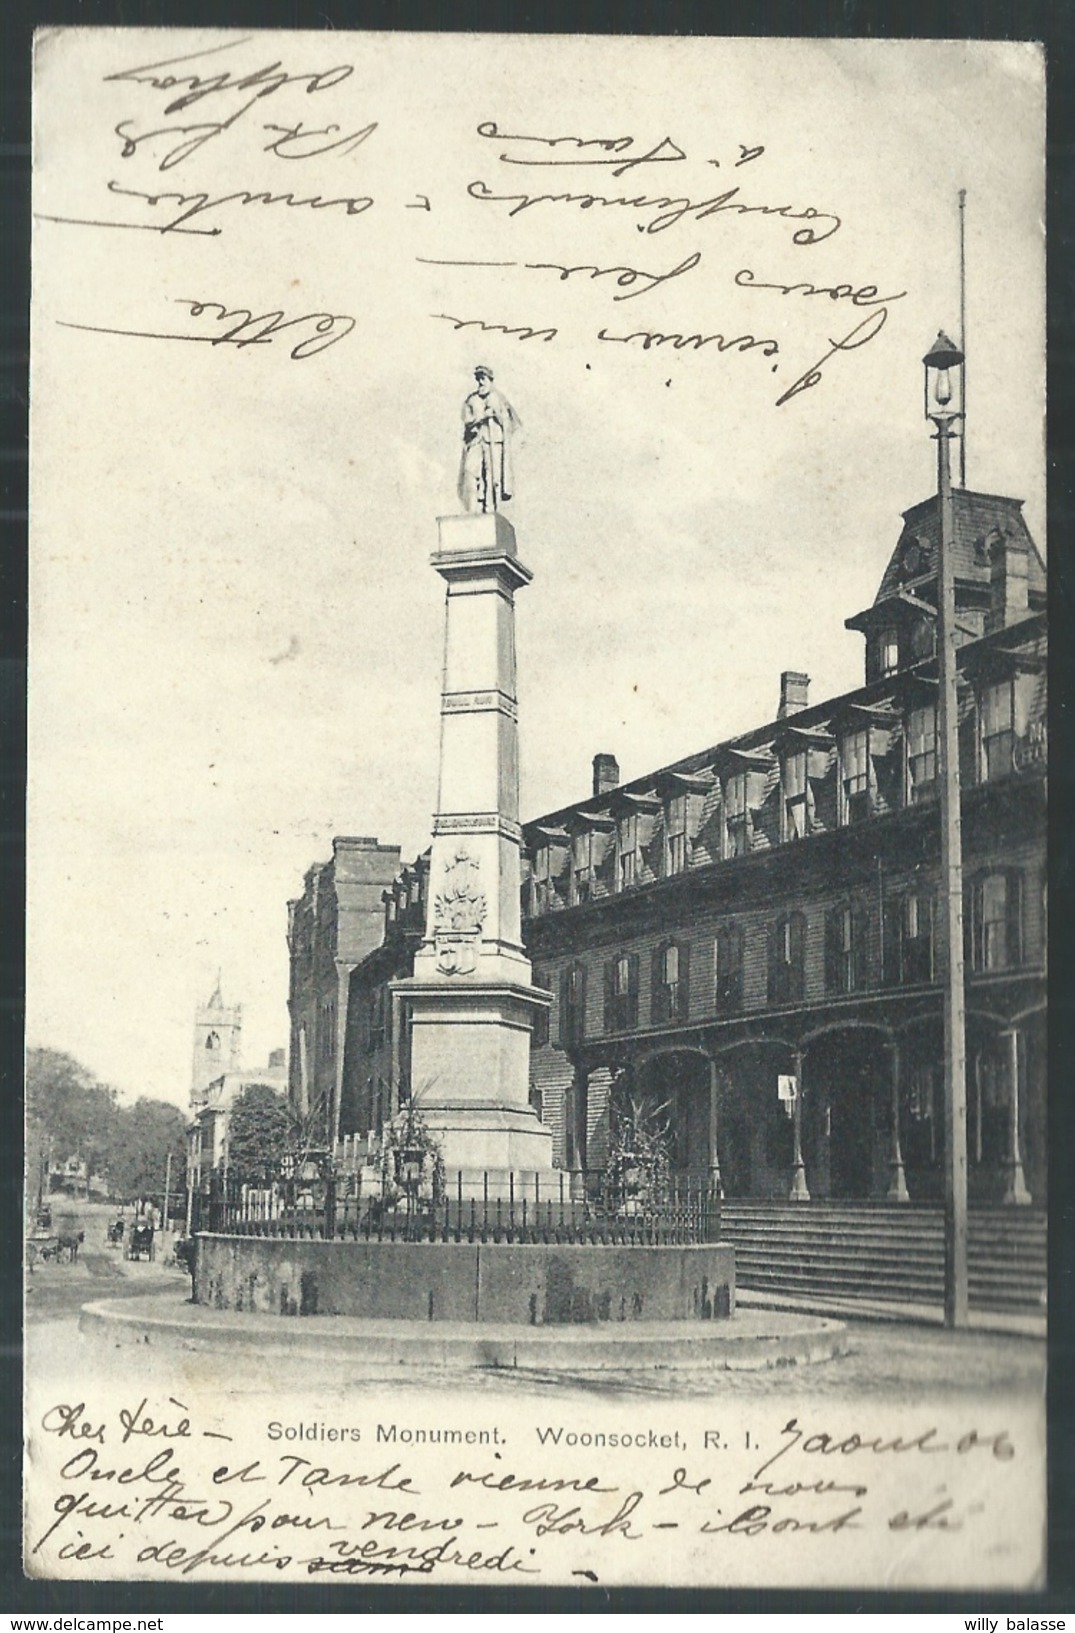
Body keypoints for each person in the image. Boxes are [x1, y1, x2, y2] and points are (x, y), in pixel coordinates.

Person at [458, 366, 520, 513]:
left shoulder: (499, 398)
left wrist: (497, 414)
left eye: (483, 378)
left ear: (490, 380)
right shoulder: (472, 400)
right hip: (476, 441)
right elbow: (467, 421)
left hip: (494, 442)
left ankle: (491, 509)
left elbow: (511, 422)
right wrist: (482, 417)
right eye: (478, 379)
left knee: (493, 478)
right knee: (470, 472)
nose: (480, 382)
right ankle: (473, 510)